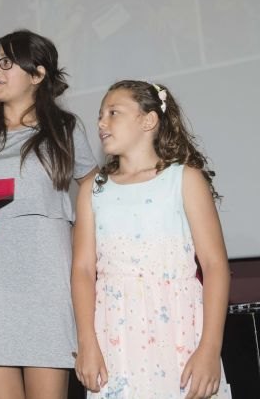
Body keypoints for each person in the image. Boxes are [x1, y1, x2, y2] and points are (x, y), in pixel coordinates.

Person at [0, 29, 98, 399]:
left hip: (48, 278)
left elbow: (94, 194)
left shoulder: (64, 129)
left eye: (6, 63)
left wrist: (86, 256)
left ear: (38, 74)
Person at [71, 80, 232, 398]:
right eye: (100, 115)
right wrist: (87, 343)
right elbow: (83, 271)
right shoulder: (94, 190)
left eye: (113, 112)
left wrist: (210, 350)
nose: (101, 123)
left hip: (179, 335)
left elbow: (215, 266)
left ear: (149, 120)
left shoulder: (184, 179)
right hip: (115, 337)